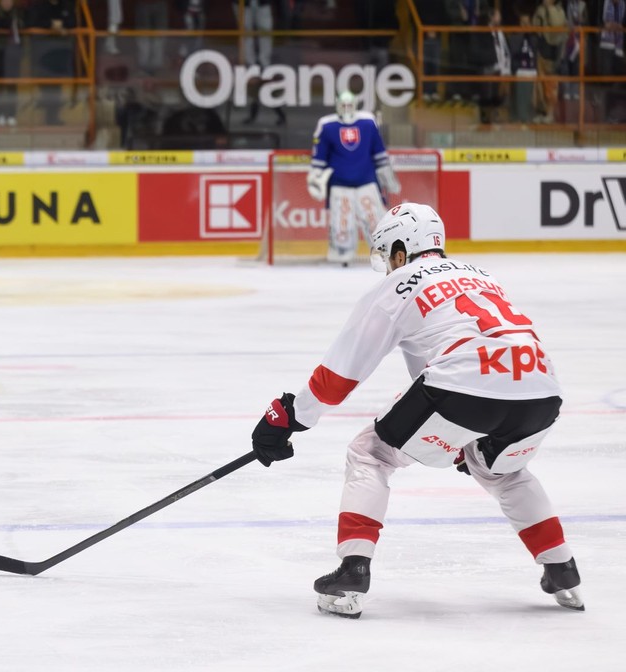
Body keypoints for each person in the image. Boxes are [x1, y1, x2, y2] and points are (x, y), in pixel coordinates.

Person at [250, 202, 583, 619]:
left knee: (369, 453)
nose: (388, 267)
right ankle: (562, 569)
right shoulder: (482, 275)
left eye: (388, 256)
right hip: (542, 392)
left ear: (402, 252)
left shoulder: (399, 284)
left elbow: (340, 375)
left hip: (466, 384)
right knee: (503, 470)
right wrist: (464, 436)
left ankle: (354, 569)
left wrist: (288, 416)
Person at [307, 90, 401, 265]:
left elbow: (379, 153)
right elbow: (319, 156)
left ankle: (383, 252)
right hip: (339, 183)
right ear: (337, 105)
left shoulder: (367, 122)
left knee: (374, 218)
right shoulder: (327, 125)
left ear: (355, 105)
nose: (346, 108)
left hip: (366, 181)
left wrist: (388, 176)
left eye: (349, 105)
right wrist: (315, 178)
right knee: (342, 220)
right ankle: (342, 253)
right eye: (343, 105)